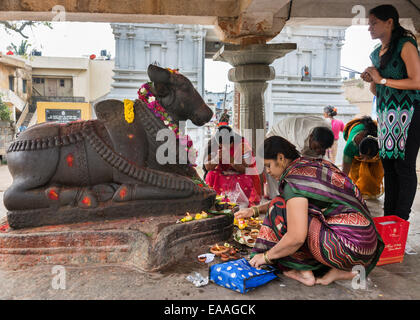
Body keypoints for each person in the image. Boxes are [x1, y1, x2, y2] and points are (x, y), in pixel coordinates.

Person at [235, 136, 384, 286]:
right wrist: (254, 210)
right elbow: (290, 200)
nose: (268, 172)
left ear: (280, 158)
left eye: (268, 166)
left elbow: (296, 237)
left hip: (344, 248)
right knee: (290, 208)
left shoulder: (293, 181)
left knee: (278, 208)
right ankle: (339, 270)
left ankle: (303, 271)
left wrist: (266, 257)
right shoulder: (311, 165)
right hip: (367, 247)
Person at [361, 4, 420, 220]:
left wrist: (382, 79)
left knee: (404, 166)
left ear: (389, 22)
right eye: (369, 24)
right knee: (389, 165)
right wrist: (372, 80)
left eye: (374, 23)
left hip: (409, 112)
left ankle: (400, 220)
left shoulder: (405, 45)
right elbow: (378, 89)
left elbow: (417, 81)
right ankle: (388, 220)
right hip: (386, 114)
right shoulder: (375, 53)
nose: (370, 28)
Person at [265, 115, 334, 199]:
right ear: (311, 137)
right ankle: (276, 197)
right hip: (279, 135)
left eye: (323, 149)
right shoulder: (298, 136)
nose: (319, 151)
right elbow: (295, 165)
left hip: (299, 140)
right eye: (317, 147)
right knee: (277, 169)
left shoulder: (325, 132)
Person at [204, 125, 261, 206]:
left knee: (246, 179)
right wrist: (217, 158)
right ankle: (215, 202)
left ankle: (240, 204)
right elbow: (208, 167)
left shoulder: (243, 145)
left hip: (239, 174)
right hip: (222, 174)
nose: (225, 147)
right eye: (221, 145)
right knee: (210, 175)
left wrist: (231, 160)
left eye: (229, 145)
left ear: (233, 141)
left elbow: (246, 169)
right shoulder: (213, 144)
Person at [342, 116, 384, 199]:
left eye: (368, 158)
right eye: (362, 156)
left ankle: (369, 192)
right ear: (358, 148)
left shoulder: (382, 143)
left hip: (375, 149)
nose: (364, 160)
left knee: (372, 175)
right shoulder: (350, 146)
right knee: (354, 176)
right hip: (355, 146)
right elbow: (344, 172)